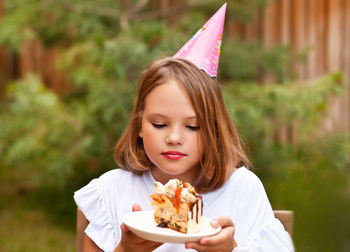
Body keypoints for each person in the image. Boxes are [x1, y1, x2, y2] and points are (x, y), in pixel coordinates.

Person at [74, 4, 294, 252]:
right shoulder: (111, 193)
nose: (174, 138)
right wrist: (126, 249)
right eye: (159, 124)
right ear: (138, 125)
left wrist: (231, 249)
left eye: (193, 126)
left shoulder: (242, 190)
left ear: (214, 129)